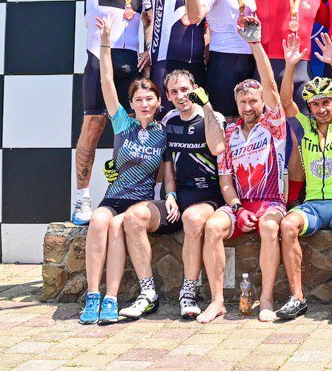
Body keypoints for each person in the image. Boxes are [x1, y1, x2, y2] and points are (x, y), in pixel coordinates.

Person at [67, 0, 153, 226]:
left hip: (130, 64)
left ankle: (128, 193)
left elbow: (148, 20)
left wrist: (148, 50)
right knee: (93, 126)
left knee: (133, 132)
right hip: (97, 58)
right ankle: (82, 199)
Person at [78, 17, 166, 326]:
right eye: (138, 99)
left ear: (158, 102)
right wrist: (105, 43)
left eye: (149, 99)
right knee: (99, 221)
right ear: (131, 103)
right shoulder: (122, 123)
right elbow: (106, 81)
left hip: (141, 202)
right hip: (114, 197)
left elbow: (165, 172)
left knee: (118, 226)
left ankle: (112, 298)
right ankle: (93, 296)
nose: (144, 104)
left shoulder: (163, 132)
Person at [198, 17, 286, 324]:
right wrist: (237, 207)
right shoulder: (229, 133)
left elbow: (271, 85)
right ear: (235, 102)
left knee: (270, 228)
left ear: (262, 102)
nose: (248, 106)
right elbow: (225, 182)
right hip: (240, 204)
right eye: (242, 101)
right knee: (212, 227)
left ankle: (266, 300)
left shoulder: (273, 126)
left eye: (253, 101)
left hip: (271, 201)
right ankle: (217, 302)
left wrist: (255, 44)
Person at [275, 34, 332, 321]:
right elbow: (285, 101)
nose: (321, 109)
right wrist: (291, 66)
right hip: (312, 204)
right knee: (287, 224)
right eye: (315, 104)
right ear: (310, 108)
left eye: (326, 102)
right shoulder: (304, 128)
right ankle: (297, 297)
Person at [156, 70, 228, 319]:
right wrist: (170, 195)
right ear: (167, 96)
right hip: (179, 196)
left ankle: (188, 292)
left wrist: (206, 106)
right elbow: (168, 168)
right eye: (174, 92)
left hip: (208, 196)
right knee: (134, 218)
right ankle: (146, 293)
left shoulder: (212, 116)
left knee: (192, 219)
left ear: (195, 89)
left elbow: (218, 148)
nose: (180, 96)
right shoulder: (168, 120)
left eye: (185, 90)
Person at [185, 0, 256, 118]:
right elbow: (194, 16)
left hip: (251, 59)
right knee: (224, 120)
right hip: (223, 62)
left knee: (251, 120)